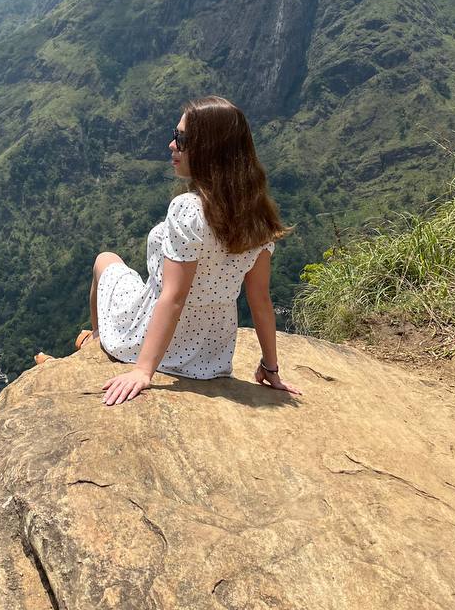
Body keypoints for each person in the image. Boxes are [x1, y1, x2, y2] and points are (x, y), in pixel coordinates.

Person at [81, 95, 303, 407]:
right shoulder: (257, 215)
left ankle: (96, 339)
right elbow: (260, 298)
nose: (172, 145)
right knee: (113, 266)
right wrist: (270, 366)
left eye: (182, 139)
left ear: (209, 149)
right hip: (211, 355)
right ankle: (96, 339)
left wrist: (143, 371)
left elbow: (174, 297)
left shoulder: (188, 208)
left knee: (105, 260)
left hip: (154, 339)